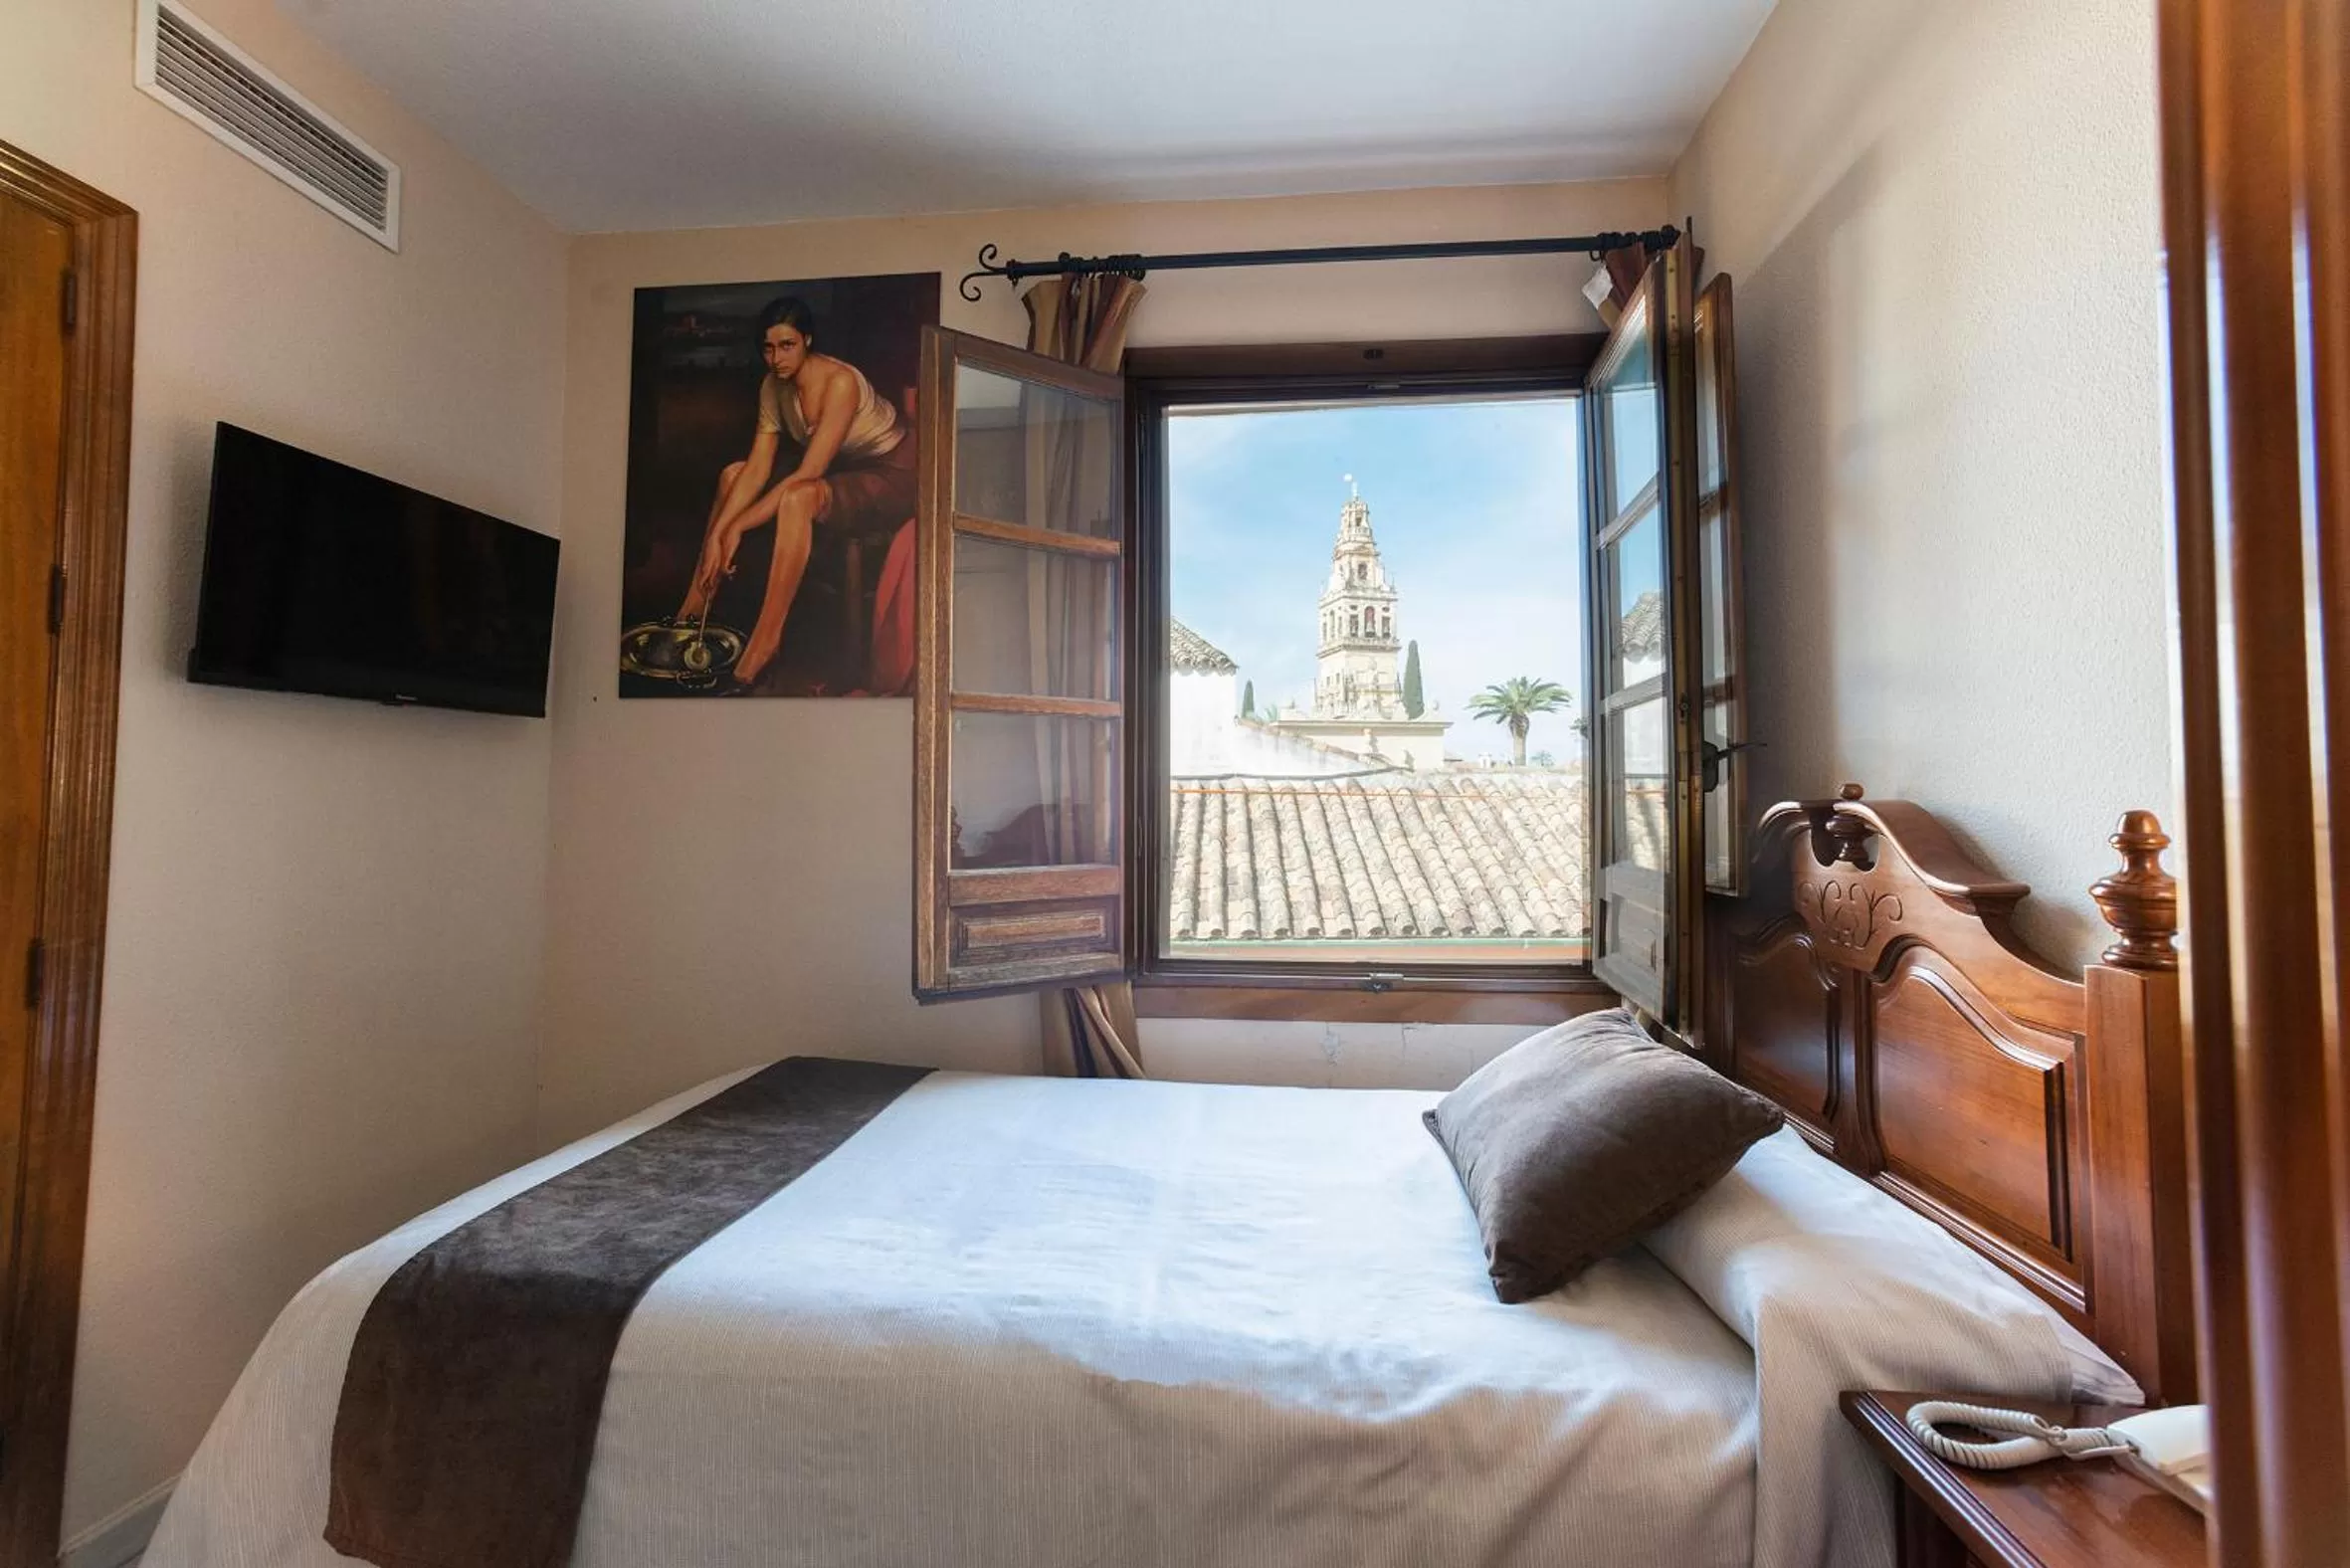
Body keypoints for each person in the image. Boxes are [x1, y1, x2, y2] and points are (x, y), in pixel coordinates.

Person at [679, 295, 915, 687]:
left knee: (798, 496)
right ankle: (692, 611)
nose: (776, 358)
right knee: (731, 475)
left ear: (807, 340)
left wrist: (738, 527)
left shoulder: (839, 382)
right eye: (768, 348)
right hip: (843, 468)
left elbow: (809, 472)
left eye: (787, 345)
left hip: (892, 472)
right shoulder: (773, 386)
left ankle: (766, 641)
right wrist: (719, 533)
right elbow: (758, 467)